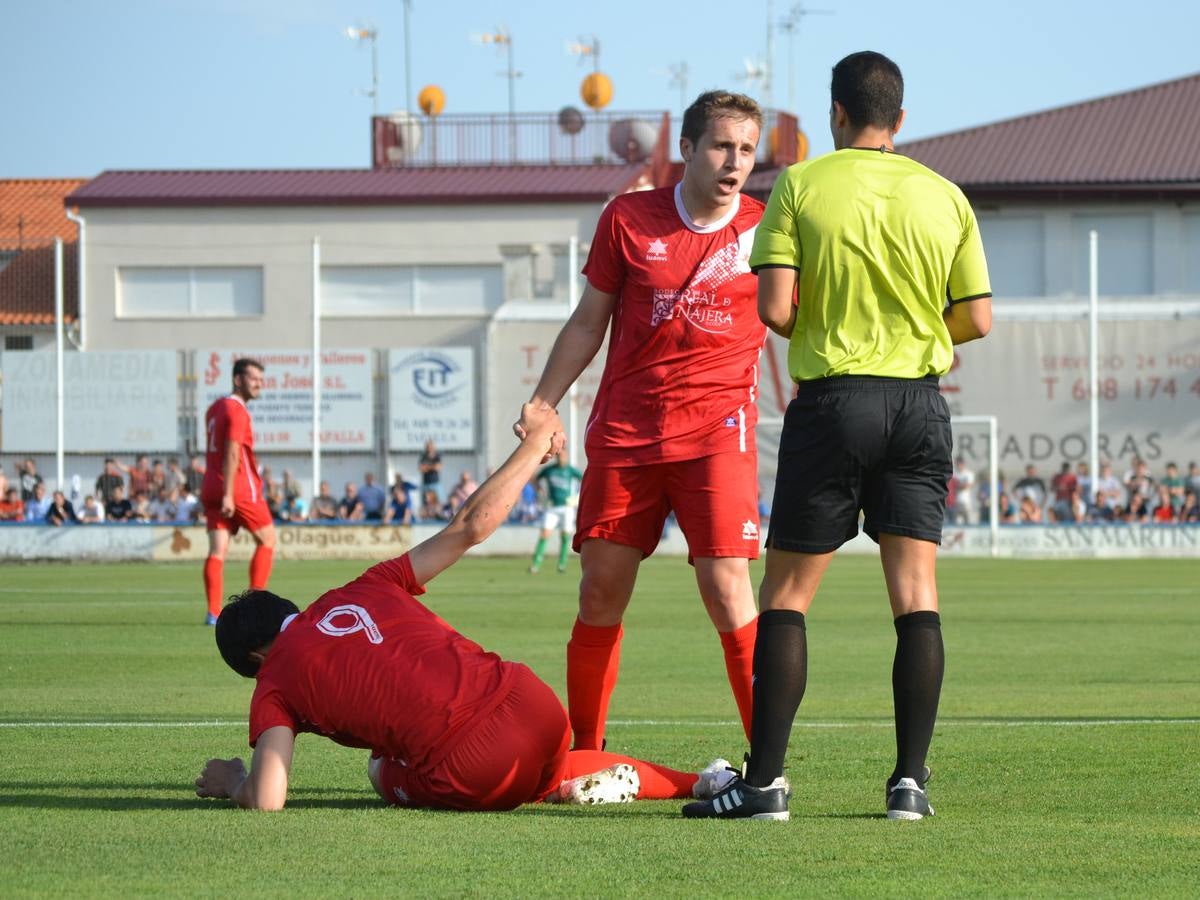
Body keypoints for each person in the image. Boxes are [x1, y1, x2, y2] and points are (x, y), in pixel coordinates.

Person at [684, 51, 991, 822]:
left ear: (836, 114)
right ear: (901, 118)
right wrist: (930, 333)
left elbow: (777, 311)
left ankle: (766, 788)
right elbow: (978, 317)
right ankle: (909, 786)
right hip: (919, 404)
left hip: (835, 400)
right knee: (916, 598)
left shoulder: (801, 184)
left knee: (787, 598)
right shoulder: (944, 194)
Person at [195, 405, 734, 813]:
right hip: (533, 703)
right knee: (551, 771)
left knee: (380, 768)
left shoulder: (274, 683)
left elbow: (268, 798)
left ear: (256, 658)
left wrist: (233, 781)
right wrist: (536, 445)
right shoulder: (365, 585)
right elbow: (469, 527)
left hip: (473, 763)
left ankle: (552, 784)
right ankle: (706, 782)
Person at [514, 90, 768, 751]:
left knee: (726, 586)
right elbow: (587, 322)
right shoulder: (628, 218)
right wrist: (543, 401)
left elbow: (801, 319)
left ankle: (765, 763)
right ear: (686, 149)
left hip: (719, 432)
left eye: (746, 148)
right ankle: (585, 755)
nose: (734, 160)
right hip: (628, 433)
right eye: (721, 145)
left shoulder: (770, 230)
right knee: (600, 593)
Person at [200, 358, 277, 627]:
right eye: (253, 378)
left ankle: (213, 612)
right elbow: (232, 453)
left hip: (210, 483)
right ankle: (255, 605)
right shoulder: (237, 411)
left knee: (217, 550)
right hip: (238, 487)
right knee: (267, 539)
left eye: (260, 379)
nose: (258, 384)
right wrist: (229, 495)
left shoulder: (214, 408)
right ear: (237, 379)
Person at [529, 451, 584, 574]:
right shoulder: (550, 470)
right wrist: (540, 491)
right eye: (559, 456)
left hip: (567, 508)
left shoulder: (571, 471)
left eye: (563, 456)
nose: (561, 458)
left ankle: (562, 564)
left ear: (567, 457)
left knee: (565, 536)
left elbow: (585, 480)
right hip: (552, 507)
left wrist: (576, 497)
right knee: (544, 534)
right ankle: (536, 564)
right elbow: (534, 479)